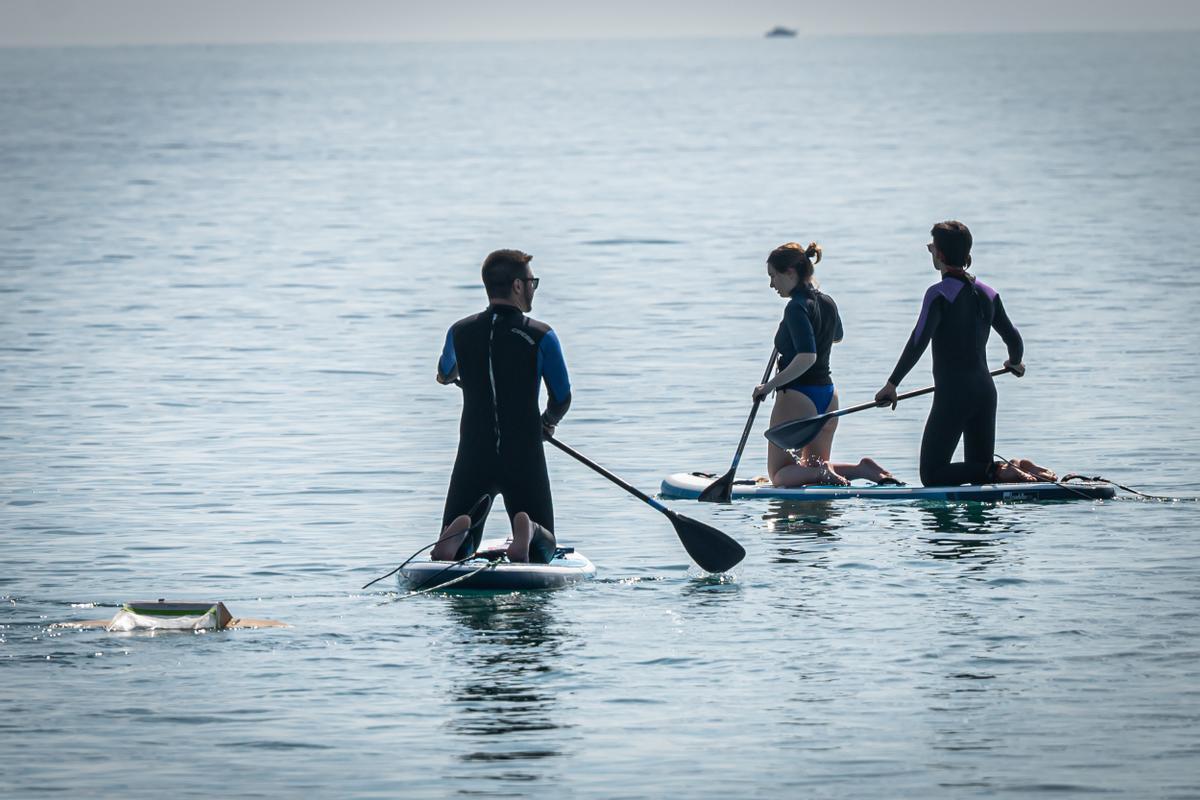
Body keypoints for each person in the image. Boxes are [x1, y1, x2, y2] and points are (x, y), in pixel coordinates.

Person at [874, 221, 1055, 486]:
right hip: (985, 392)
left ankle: (1002, 470)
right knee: (979, 475)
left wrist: (892, 385)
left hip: (954, 396)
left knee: (933, 476)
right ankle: (1012, 468)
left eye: (931, 247)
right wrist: (1014, 363)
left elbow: (918, 340)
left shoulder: (938, 295)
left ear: (941, 256)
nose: (930, 251)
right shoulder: (988, 293)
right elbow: (1014, 339)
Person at [431, 249, 572, 563]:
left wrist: (453, 373)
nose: (534, 287)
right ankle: (530, 529)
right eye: (532, 281)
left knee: (458, 553)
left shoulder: (460, 331)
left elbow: (445, 372)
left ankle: (458, 533)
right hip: (522, 453)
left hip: (474, 452)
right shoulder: (540, 335)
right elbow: (562, 397)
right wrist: (547, 422)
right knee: (542, 551)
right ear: (518, 286)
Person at [753, 242, 897, 487]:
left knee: (779, 476)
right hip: (828, 395)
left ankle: (825, 475)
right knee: (812, 467)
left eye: (773, 276)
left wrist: (767, 387)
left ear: (790, 273)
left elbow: (807, 357)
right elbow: (837, 336)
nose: (771, 285)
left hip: (798, 397)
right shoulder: (827, 301)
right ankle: (862, 469)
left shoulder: (796, 308)